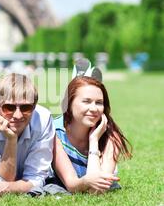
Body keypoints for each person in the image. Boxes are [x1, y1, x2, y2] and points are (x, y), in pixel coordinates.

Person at [48, 67, 132, 195]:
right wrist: (88, 181)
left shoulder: (111, 135)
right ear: (69, 103)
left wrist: (94, 140)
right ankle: (80, 82)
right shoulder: (54, 133)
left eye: (99, 103)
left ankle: (82, 82)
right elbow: (71, 184)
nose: (94, 109)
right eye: (86, 101)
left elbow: (97, 190)